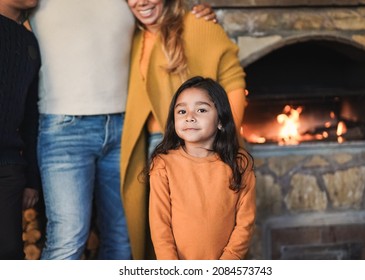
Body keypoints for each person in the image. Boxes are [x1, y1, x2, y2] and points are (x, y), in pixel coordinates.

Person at [28, 0, 216, 260]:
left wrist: (198, 12)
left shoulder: (129, 1)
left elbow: (163, 16)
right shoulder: (36, 2)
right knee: (68, 238)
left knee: (122, 236)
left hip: (124, 131)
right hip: (63, 129)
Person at [121, 0, 248, 259]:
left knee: (207, 238)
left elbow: (234, 83)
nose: (141, 1)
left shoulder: (200, 25)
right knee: (157, 239)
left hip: (197, 148)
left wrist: (220, 141)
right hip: (146, 150)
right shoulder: (131, 37)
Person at [147, 76, 256, 259]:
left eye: (201, 109)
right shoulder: (163, 165)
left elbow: (245, 222)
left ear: (220, 120)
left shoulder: (239, 164)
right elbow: (160, 226)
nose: (190, 117)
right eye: (182, 111)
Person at [0, 0, 41, 260]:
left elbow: (31, 117)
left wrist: (32, 181)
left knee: (10, 253)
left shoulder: (30, 42)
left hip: (10, 169)